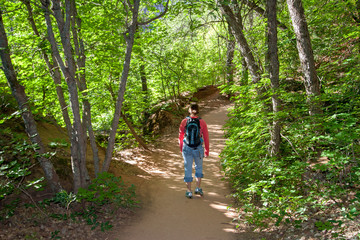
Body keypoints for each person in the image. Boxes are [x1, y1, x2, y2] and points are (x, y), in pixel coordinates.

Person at [179, 103, 209, 198]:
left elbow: (180, 136)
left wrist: (181, 148)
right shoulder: (202, 122)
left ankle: (189, 191)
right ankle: (198, 188)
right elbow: (206, 137)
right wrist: (207, 150)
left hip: (187, 148)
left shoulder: (184, 121)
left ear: (189, 110)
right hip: (198, 148)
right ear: (198, 110)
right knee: (198, 167)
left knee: (188, 168)